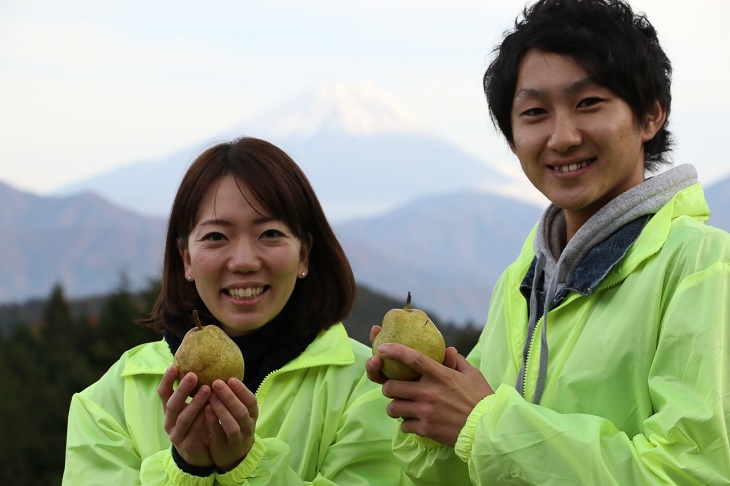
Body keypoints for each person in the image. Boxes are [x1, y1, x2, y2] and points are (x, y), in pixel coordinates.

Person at [367, 0, 730, 484]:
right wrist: (429, 416)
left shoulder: (703, 266)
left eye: (589, 103)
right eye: (535, 112)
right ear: (513, 138)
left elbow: (693, 472)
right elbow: (462, 470)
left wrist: (482, 423)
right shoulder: (522, 280)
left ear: (650, 116)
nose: (562, 136)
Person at [63, 137, 400, 484]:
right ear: (186, 259)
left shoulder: (372, 390)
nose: (243, 261)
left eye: (269, 234)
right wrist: (186, 469)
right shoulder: (108, 404)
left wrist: (245, 465)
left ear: (303, 254)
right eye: (216, 237)